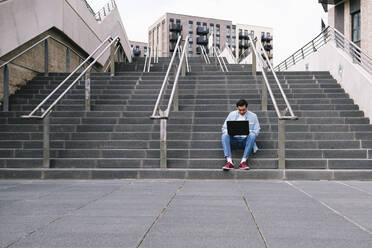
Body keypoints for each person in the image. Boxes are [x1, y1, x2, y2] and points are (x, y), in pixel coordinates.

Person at [221, 99, 260, 170]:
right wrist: (229, 131)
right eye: (240, 110)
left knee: (252, 135)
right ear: (237, 108)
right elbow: (224, 128)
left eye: (244, 110)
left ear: (247, 107)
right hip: (233, 141)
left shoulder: (253, 116)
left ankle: (243, 162)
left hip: (246, 141)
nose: (242, 112)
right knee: (225, 135)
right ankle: (229, 162)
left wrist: (249, 131)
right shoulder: (231, 114)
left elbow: (257, 130)